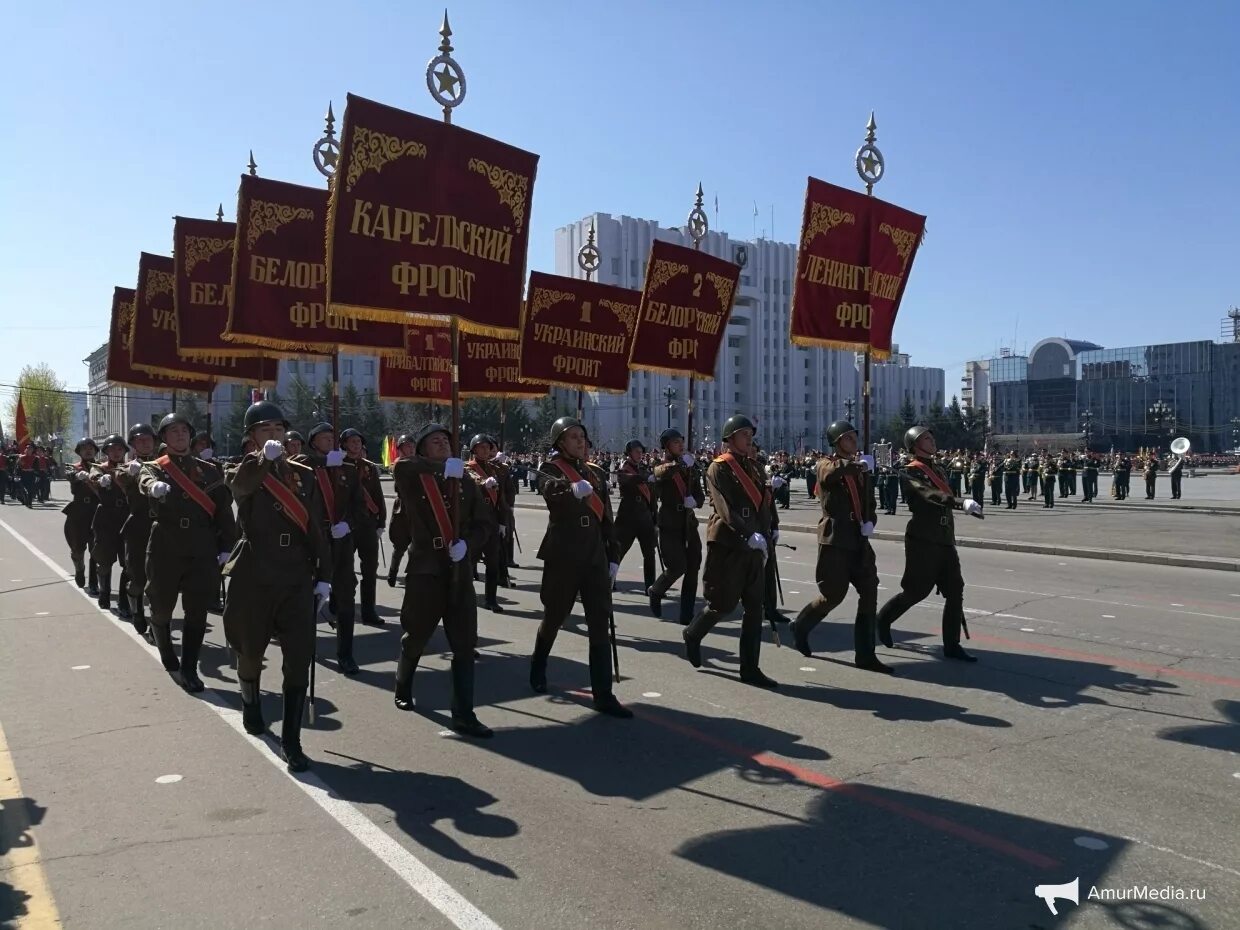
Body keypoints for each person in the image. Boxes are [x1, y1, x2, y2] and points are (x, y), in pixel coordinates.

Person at [223, 401, 331, 772]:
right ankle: (251, 702)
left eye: (278, 430)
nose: (274, 436)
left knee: (298, 657)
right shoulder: (239, 469)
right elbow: (241, 488)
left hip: (296, 576)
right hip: (255, 575)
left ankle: (292, 740)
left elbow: (316, 527)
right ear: (251, 437)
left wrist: (325, 576)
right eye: (265, 430)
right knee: (250, 652)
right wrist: (263, 461)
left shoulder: (304, 474)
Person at [391, 423, 494, 737]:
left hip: (458, 569)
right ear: (422, 450)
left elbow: (483, 523)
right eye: (435, 442)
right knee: (417, 635)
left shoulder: (464, 479)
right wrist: (436, 467)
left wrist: (469, 546)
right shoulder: (413, 476)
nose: (443, 445)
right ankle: (403, 684)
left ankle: (463, 714)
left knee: (464, 644)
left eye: (446, 442)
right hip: (426, 569)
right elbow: (402, 466)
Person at [529, 416, 632, 718]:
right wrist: (571, 490)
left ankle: (603, 694)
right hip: (564, 556)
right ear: (560, 442)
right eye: (573, 436)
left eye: (582, 436)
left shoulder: (596, 473)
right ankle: (538, 665)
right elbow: (549, 491)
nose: (580, 441)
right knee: (555, 615)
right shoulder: (550, 469)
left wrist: (613, 556)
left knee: (600, 621)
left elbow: (607, 520)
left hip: (594, 557)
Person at [139, 412, 237, 691]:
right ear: (164, 438)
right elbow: (144, 481)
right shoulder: (156, 468)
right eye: (173, 431)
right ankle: (168, 653)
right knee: (161, 606)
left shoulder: (209, 470)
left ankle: (190, 667)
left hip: (201, 545)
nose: (180, 435)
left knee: (197, 611)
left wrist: (227, 547)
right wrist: (152, 487)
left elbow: (223, 512)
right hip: (165, 545)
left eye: (184, 430)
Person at [683, 414, 779, 689]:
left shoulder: (756, 467)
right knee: (722, 604)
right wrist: (748, 534)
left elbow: (762, 504)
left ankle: (750, 668)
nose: (749, 437)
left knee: (754, 608)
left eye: (750, 433)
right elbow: (724, 508)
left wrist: (771, 528)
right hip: (730, 542)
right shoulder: (719, 468)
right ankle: (693, 633)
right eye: (743, 433)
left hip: (755, 545)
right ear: (729, 438)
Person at [791, 420, 891, 673]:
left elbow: (869, 501)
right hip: (836, 538)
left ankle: (866, 654)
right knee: (833, 595)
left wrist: (870, 520)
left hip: (859, 538)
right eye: (847, 438)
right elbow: (831, 473)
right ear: (836, 443)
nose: (853, 442)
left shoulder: (860, 470)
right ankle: (801, 625)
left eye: (854, 437)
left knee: (869, 590)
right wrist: (857, 465)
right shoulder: (827, 463)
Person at [876, 425, 981, 663]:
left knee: (956, 589)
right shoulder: (910, 471)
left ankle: (951, 645)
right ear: (914, 445)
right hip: (923, 538)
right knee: (916, 592)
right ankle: (883, 619)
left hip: (944, 537)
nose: (932, 441)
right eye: (925, 438)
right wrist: (958, 502)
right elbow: (927, 494)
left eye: (932, 437)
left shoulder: (940, 469)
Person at [296, 423, 361, 673]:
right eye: (324, 438)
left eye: (332, 437)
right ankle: (304, 646)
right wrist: (322, 462)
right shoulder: (305, 466)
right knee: (309, 598)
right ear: (313, 443)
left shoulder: (348, 470)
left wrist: (348, 524)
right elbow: (298, 463)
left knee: (345, 599)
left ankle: (346, 654)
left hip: (341, 541)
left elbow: (358, 506)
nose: (330, 441)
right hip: (313, 541)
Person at [647, 428, 704, 624]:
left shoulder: (690, 467)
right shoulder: (659, 464)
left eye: (681, 441)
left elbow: (700, 494)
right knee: (677, 566)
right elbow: (661, 474)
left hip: (688, 522)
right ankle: (656, 590)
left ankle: (686, 614)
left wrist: (694, 502)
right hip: (670, 522)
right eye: (676, 442)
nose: (680, 444)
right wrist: (681, 463)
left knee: (693, 567)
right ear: (666, 446)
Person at [340, 428, 386, 627]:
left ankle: (369, 610)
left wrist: (381, 522)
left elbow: (378, 496)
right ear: (344, 444)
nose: (356, 444)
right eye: (352, 441)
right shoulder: (337, 466)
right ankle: (339, 602)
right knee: (344, 570)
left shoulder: (369, 467)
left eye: (358, 441)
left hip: (367, 524)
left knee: (370, 569)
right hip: (347, 525)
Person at [118, 424, 157, 633]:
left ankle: (156, 624)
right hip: (138, 527)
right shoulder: (128, 467)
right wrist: (130, 472)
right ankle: (136, 610)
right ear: (132, 444)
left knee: (159, 580)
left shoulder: (163, 464)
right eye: (140, 440)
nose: (145, 443)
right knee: (138, 579)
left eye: (149, 439)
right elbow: (120, 478)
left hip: (161, 527)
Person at [465, 433, 510, 612]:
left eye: (488, 448)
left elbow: (501, 496)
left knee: (493, 562)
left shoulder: (494, 468)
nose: (485, 451)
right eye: (481, 447)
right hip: (475, 522)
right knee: (470, 562)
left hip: (492, 521)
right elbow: (472, 479)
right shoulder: (468, 467)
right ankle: (466, 596)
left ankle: (491, 599)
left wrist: (503, 522)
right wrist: (483, 483)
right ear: (474, 449)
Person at [87, 434, 130, 611]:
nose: (116, 452)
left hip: (127, 517)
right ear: (106, 452)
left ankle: (124, 601)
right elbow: (93, 477)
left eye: (120, 449)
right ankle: (104, 593)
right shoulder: (100, 468)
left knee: (128, 563)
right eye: (112, 449)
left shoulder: (131, 468)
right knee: (104, 561)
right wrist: (99, 480)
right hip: (106, 518)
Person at [614, 439, 659, 596]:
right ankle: (609, 580)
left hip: (644, 516)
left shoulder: (645, 469)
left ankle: (651, 587)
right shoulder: (623, 469)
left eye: (641, 451)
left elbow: (652, 497)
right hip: (628, 516)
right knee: (619, 550)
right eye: (636, 451)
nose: (640, 454)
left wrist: (655, 519)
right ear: (629, 453)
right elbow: (629, 479)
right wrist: (646, 477)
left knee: (649, 553)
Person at [64, 438, 99, 593]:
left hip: (97, 512)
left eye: (91, 448)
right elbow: (69, 475)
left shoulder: (102, 467)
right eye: (84, 448)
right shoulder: (73, 467)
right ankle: (79, 568)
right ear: (79, 452)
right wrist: (77, 476)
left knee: (96, 550)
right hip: (78, 513)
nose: (88, 450)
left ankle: (93, 583)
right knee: (77, 549)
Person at [386, 434, 416, 587]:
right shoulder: (398, 464)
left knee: (417, 545)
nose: (410, 448)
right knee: (400, 546)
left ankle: (412, 574)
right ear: (400, 449)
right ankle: (392, 573)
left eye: (412, 445)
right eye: (406, 446)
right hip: (402, 509)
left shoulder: (418, 462)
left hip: (417, 508)